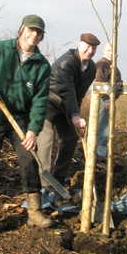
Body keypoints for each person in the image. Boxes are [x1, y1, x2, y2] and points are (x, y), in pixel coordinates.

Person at [0, 14, 52, 232]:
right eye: (31, 30)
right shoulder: (0, 50)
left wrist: (33, 130)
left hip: (19, 118)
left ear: (41, 37)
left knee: (29, 160)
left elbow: (39, 101)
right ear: (21, 29)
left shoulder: (42, 66)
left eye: (38, 32)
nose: (33, 35)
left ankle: (34, 212)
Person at [36, 33, 100, 186]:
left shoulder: (91, 68)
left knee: (70, 138)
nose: (90, 51)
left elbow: (79, 94)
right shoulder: (66, 62)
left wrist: (76, 115)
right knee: (46, 142)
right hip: (48, 104)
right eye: (87, 46)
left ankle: (58, 180)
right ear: (80, 45)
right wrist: (75, 115)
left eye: (93, 48)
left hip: (65, 106)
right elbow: (67, 90)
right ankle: (43, 186)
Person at [95, 42, 123, 159]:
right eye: (108, 50)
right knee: (103, 127)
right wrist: (106, 99)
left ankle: (105, 152)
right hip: (104, 101)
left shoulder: (113, 66)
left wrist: (118, 92)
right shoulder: (102, 65)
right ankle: (100, 154)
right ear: (103, 51)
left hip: (111, 100)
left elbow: (119, 83)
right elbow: (100, 83)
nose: (111, 53)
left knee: (108, 126)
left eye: (113, 51)